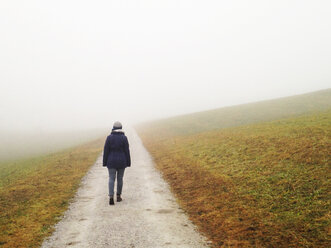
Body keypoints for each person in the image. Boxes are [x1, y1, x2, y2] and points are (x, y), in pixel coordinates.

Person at [103, 121, 131, 205]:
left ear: (113, 128)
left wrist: (104, 162)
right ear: (121, 128)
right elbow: (127, 151)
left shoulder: (109, 138)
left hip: (111, 161)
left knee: (111, 178)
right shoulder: (124, 138)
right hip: (122, 161)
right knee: (120, 178)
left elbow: (106, 151)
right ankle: (118, 196)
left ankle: (111, 197)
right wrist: (128, 162)